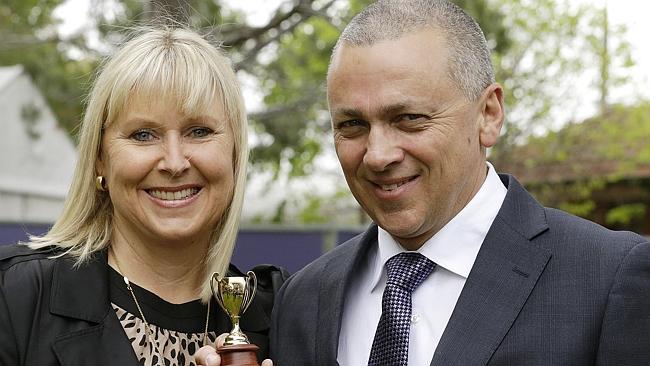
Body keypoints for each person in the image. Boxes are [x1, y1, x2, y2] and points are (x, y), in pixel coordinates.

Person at [267, 0, 650, 365]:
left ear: (488, 114)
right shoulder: (303, 299)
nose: (378, 154)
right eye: (352, 125)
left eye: (409, 118)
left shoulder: (608, 279)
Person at [0, 27, 285, 366]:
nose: (175, 162)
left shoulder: (285, 316)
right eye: (143, 134)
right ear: (100, 159)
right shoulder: (13, 297)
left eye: (199, 131)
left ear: (235, 155)